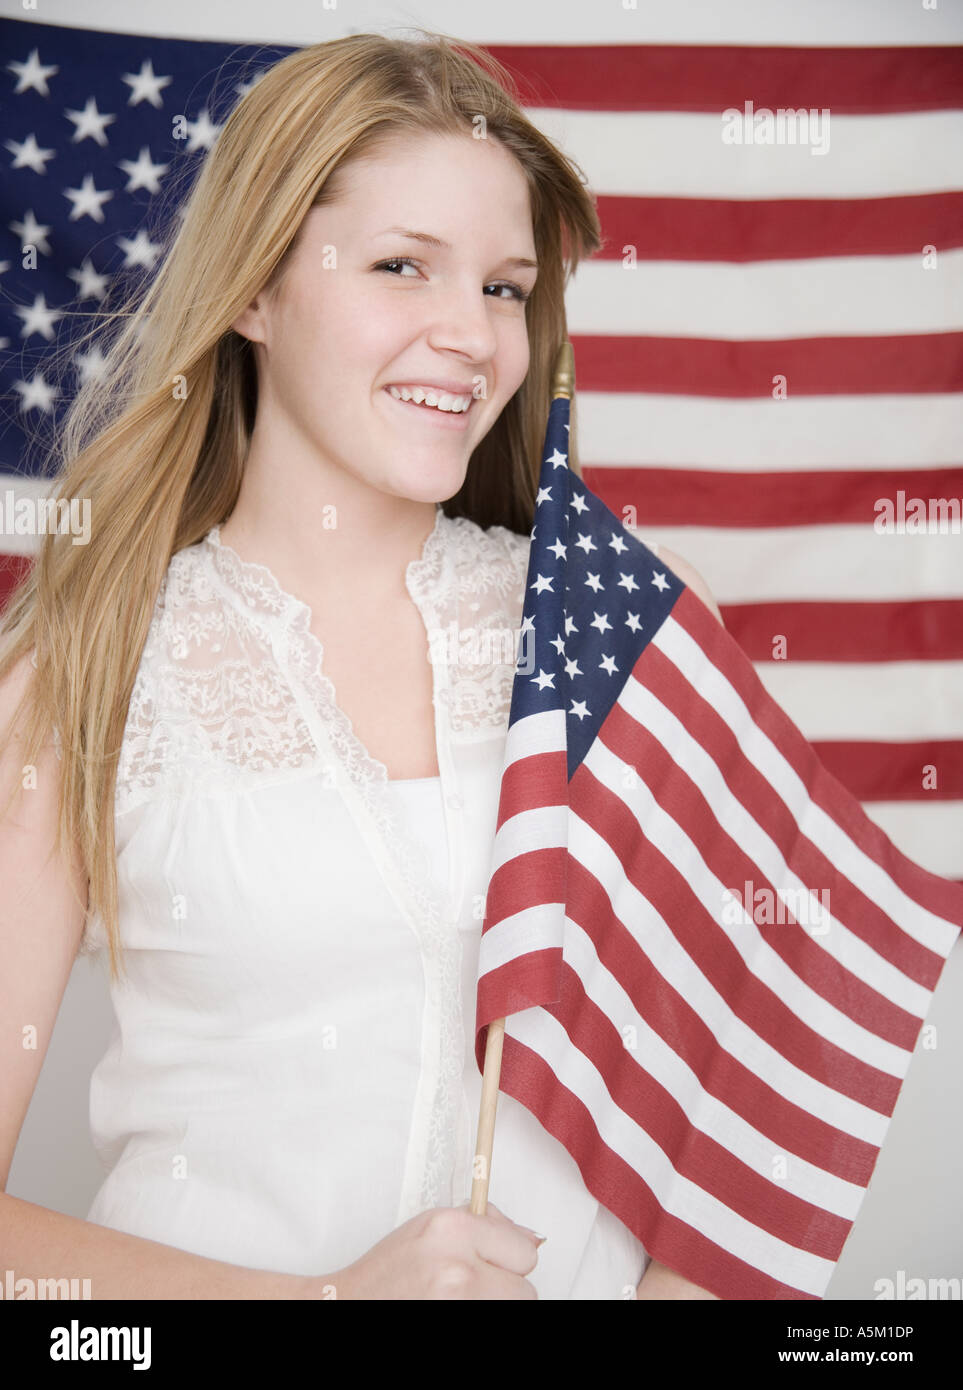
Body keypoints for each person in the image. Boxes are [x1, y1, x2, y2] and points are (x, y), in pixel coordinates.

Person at [0, 30, 721, 1300]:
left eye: (504, 287)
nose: (471, 336)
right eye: (403, 267)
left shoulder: (608, 632)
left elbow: (734, 1127)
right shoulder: (86, 669)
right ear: (254, 292)